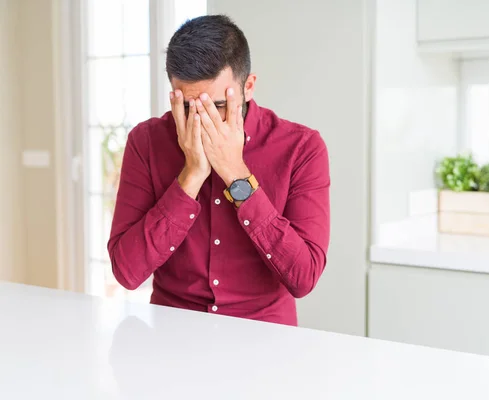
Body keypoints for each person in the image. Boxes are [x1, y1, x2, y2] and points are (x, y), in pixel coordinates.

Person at [107, 15, 330, 326]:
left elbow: (303, 277)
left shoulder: (302, 148)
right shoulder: (145, 142)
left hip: (266, 342)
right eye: (187, 106)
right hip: (172, 336)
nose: (202, 119)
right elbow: (127, 272)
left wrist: (235, 173)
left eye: (217, 105)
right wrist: (191, 175)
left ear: (248, 86)